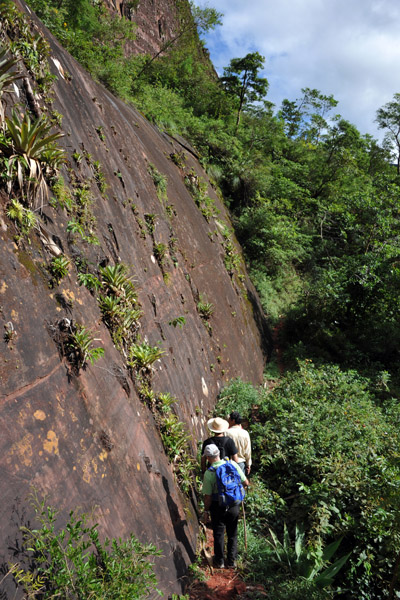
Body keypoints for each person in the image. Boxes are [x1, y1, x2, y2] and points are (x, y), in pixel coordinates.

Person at [202, 443, 249, 568]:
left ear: (208, 458)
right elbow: (246, 482)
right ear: (218, 453)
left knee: (218, 532)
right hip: (233, 504)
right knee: (232, 533)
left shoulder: (209, 473)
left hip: (218, 506)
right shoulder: (232, 464)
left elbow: (208, 496)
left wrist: (206, 510)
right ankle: (232, 561)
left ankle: (220, 561)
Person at [226, 411, 252, 476]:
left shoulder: (226, 432)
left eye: (229, 419)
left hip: (229, 462)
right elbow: (248, 451)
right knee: (239, 484)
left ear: (233, 420)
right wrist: (248, 464)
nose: (228, 421)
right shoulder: (245, 433)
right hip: (241, 464)